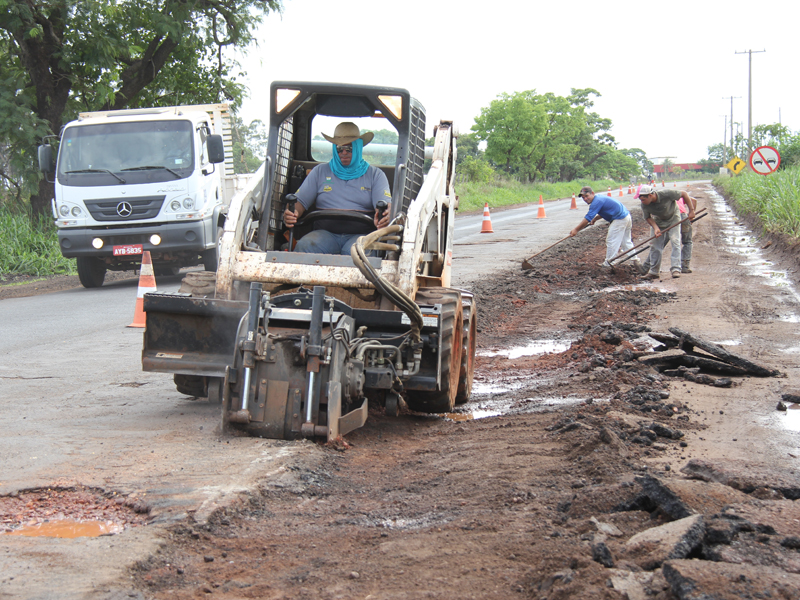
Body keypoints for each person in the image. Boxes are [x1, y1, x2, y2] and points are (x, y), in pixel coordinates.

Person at [283, 122, 392, 255]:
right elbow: (298, 202)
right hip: (325, 234)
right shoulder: (320, 172)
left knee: (360, 253)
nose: (344, 153)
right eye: (340, 149)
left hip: (360, 235)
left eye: (349, 148)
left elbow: (385, 207)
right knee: (305, 245)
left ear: (358, 147)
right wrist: (291, 213)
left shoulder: (375, 175)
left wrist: (386, 215)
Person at [635, 184, 696, 279]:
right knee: (655, 245)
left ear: (650, 195)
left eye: (643, 199)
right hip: (659, 221)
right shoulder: (644, 205)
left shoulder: (666, 194)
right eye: (641, 200)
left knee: (675, 241)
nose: (642, 202)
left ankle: (676, 269)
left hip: (673, 219)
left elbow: (684, 194)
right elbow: (648, 217)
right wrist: (655, 228)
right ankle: (654, 272)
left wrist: (691, 211)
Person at [569, 186, 637, 269]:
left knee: (611, 240)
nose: (585, 199)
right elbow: (606, 210)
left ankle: (609, 263)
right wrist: (596, 219)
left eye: (586, 196)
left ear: (592, 193)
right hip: (626, 216)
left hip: (620, 219)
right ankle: (635, 260)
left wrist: (576, 229)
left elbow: (588, 218)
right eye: (583, 198)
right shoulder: (599, 198)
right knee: (625, 241)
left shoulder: (596, 202)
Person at [677, 194, 697, 273]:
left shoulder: (663, 197)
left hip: (672, 217)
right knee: (687, 241)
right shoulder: (679, 196)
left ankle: (652, 266)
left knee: (665, 242)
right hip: (683, 216)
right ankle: (685, 266)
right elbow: (694, 200)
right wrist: (691, 216)